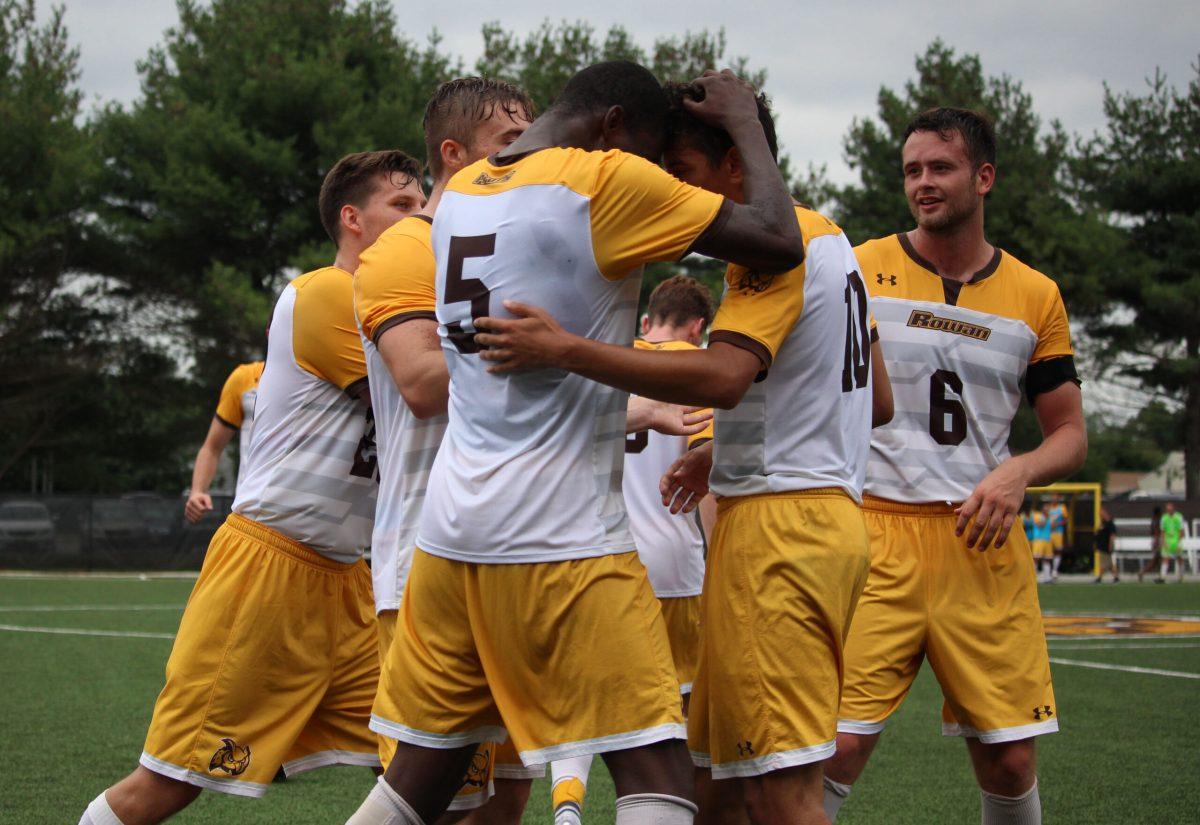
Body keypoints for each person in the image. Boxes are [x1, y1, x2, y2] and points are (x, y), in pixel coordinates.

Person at [346, 63, 806, 825]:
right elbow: (777, 239)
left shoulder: (462, 194)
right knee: (658, 772)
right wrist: (747, 123)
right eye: (655, 154)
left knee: (417, 784)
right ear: (613, 127)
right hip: (558, 534)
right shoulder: (602, 180)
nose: (661, 177)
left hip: (451, 536)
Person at [472, 83, 892, 825]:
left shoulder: (778, 245)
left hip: (782, 532)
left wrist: (568, 349)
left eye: (684, 168)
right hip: (806, 517)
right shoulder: (834, 238)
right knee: (719, 788)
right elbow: (877, 400)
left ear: (739, 161)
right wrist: (728, 451)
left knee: (783, 792)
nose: (672, 187)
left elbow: (726, 376)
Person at [78, 150, 426, 825]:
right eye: (404, 208)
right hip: (270, 568)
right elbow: (428, 395)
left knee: (429, 753)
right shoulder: (329, 293)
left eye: (423, 206)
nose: (422, 221)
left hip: (349, 581)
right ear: (351, 219)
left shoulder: (400, 312)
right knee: (168, 781)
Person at [823, 108, 1087, 825]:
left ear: (984, 176)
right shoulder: (861, 266)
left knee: (1008, 757)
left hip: (982, 546)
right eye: (912, 170)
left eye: (940, 168)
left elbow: (1069, 434)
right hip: (875, 535)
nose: (923, 183)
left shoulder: (1036, 295)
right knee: (835, 746)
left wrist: (1018, 471)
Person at [355, 76, 539, 822]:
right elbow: (425, 382)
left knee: (511, 788)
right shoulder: (406, 245)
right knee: (434, 802)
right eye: (509, 146)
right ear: (454, 153)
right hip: (426, 557)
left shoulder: (515, 245)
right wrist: (554, 353)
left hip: (518, 551)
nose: (527, 160)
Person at [549, 275, 718, 825]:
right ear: (698, 328)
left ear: (647, 320)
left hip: (596, 553)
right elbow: (706, 473)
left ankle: (568, 806)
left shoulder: (608, 357)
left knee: (580, 692)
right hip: (673, 565)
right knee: (674, 710)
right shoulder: (700, 371)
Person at [183, 360, 264, 524]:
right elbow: (212, 447)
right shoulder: (245, 377)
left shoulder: (324, 374)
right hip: (248, 514)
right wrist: (197, 491)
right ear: (268, 333)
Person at [1160, 501, 1187, 582]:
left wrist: (1179, 543)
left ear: (1173, 508)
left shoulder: (1179, 517)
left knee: (1180, 559)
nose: (1169, 510)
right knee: (1165, 558)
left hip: (1176, 542)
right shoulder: (1164, 518)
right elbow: (1163, 531)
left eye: (1170, 508)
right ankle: (1163, 577)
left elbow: (1181, 531)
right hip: (1167, 542)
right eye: (1167, 509)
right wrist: (1163, 542)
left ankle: (1181, 576)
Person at [1138, 505, 1164, 583]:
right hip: (1159, 541)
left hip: (1155, 540)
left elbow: (1151, 532)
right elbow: (1156, 532)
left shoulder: (1153, 520)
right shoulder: (1158, 520)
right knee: (1157, 560)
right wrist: (1156, 541)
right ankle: (1142, 573)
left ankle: (1144, 573)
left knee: (1157, 560)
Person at [1094, 506, 1119, 583]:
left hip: (1106, 546)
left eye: (1101, 514)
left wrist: (1110, 545)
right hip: (1101, 546)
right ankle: (1116, 578)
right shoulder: (1103, 523)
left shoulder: (1110, 524)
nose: (1100, 515)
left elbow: (1113, 536)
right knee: (1109, 564)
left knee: (1104, 564)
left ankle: (1099, 578)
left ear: (1106, 513)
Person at [1031, 501, 1054, 582]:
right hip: (1039, 539)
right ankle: (1032, 577)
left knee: (1047, 559)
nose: (1048, 509)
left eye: (1048, 507)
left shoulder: (1049, 516)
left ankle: (1047, 578)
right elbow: (1040, 525)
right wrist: (1046, 518)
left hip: (1047, 539)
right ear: (1042, 508)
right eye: (1046, 507)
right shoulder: (1037, 515)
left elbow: (1052, 527)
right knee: (1036, 558)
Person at [1048, 495, 1068, 581]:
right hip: (1048, 533)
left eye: (1056, 499)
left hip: (1058, 532)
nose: (1054, 500)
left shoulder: (1062, 508)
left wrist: (1058, 524)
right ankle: (1048, 572)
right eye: (1053, 498)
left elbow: (1066, 520)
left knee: (1058, 550)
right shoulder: (1048, 508)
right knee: (1048, 552)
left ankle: (1055, 570)